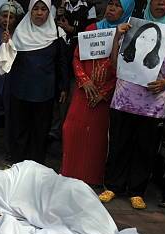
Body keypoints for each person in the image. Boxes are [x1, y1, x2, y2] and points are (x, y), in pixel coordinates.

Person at [99, 0, 165, 209]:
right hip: (123, 99)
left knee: (145, 148)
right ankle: (112, 185)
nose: (160, 3)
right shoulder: (132, 25)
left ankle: (137, 191)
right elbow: (114, 63)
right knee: (119, 144)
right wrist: (117, 38)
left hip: (154, 104)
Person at [61, 0, 135, 185]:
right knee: (71, 129)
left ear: (126, 10)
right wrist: (84, 81)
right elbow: (77, 57)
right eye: (110, 3)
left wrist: (104, 92)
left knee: (97, 137)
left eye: (118, 6)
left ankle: (91, 178)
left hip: (105, 96)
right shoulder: (92, 27)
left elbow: (126, 68)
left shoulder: (129, 35)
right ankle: (69, 172)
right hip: (83, 90)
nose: (112, 8)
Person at [5, 0, 69, 165]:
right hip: (20, 89)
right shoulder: (19, 32)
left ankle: (35, 165)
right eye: (36, 9)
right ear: (29, 11)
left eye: (43, 9)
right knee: (19, 129)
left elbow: (62, 62)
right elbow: (7, 61)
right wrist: (7, 45)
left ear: (49, 12)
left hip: (44, 91)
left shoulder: (57, 33)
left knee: (40, 130)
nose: (39, 13)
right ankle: (17, 164)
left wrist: (63, 87)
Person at [49, 0, 93, 140]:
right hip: (58, 59)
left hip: (79, 59)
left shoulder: (89, 7)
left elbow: (91, 30)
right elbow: (48, 26)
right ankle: (55, 132)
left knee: (71, 98)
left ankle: (67, 134)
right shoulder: (57, 5)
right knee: (57, 99)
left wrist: (72, 30)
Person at [0, 1, 24, 154]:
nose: (6, 20)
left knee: (11, 117)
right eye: (4, 16)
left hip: (13, 81)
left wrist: (9, 43)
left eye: (11, 17)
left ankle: (10, 150)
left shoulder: (21, 36)